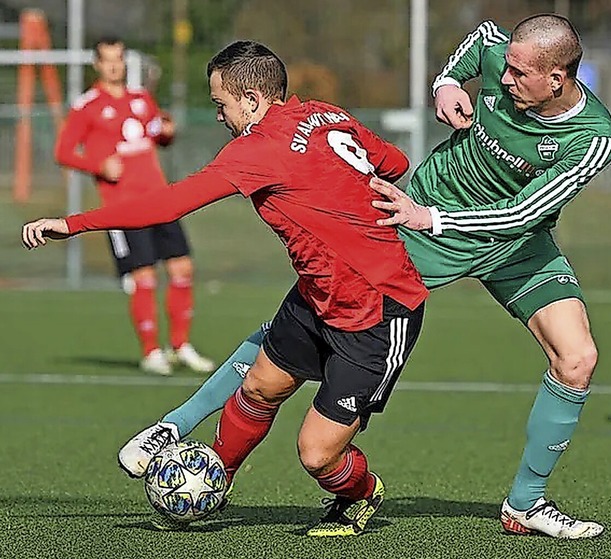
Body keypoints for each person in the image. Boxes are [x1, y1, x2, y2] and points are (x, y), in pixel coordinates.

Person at [97, 14, 611, 540]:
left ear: (557, 78)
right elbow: (483, 37)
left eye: (519, 75)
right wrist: (445, 84)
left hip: (501, 237)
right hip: (416, 216)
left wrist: (430, 218)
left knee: (577, 359)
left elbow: (524, 213)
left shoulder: (593, 138)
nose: (505, 80)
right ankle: (176, 426)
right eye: (504, 70)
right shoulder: (503, 56)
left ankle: (525, 504)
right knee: (308, 316)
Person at [23, 40, 428, 537]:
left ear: (254, 100)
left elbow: (167, 205)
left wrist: (74, 222)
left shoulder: (257, 149)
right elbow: (394, 162)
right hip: (318, 293)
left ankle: (362, 494)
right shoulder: (327, 113)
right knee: (257, 386)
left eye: (222, 104)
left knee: (317, 454)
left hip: (379, 307)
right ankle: (214, 482)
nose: (219, 116)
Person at [54, 37, 213, 376]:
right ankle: (151, 351)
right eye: (107, 60)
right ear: (96, 65)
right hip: (123, 207)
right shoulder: (87, 106)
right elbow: (64, 152)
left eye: (119, 59)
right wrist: (99, 166)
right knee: (143, 276)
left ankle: (180, 345)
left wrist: (168, 132)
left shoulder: (141, 98)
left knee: (182, 269)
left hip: (160, 199)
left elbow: (158, 135)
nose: (114, 65)